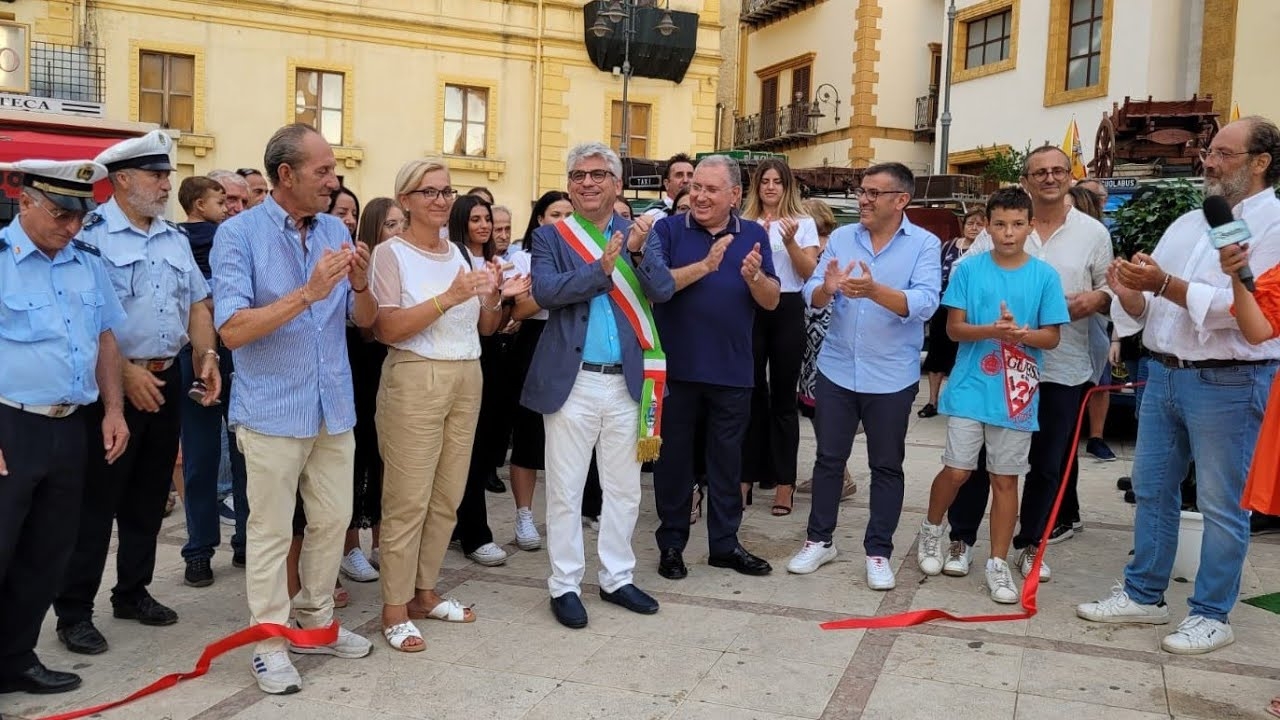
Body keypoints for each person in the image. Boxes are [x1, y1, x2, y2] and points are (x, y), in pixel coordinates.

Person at [1077, 116, 1280, 655]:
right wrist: (1129, 289)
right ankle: (1144, 595)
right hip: (1162, 371)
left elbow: (1245, 313)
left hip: (1229, 379)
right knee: (1152, 491)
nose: (1209, 162)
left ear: (1261, 163)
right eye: (1209, 151)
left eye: (1225, 154)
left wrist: (1163, 283)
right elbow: (1152, 306)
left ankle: (1213, 614)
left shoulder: (1274, 224)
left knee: (1222, 504)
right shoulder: (1192, 221)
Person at [211, 123, 378, 693]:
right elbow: (231, 329)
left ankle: (317, 618)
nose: (333, 183)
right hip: (271, 410)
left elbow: (366, 319)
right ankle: (268, 641)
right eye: (322, 172)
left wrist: (358, 285)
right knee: (271, 530)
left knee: (334, 520)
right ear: (286, 175)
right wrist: (306, 293)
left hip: (333, 405)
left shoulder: (334, 228)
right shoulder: (237, 236)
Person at [53, 130, 222, 655]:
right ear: (122, 180)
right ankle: (74, 612)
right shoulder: (92, 235)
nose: (166, 183)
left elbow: (198, 303)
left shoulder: (172, 239)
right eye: (157, 175)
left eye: (167, 174)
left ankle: (132, 592)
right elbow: (78, 317)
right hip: (110, 388)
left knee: (149, 497)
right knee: (96, 504)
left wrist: (207, 355)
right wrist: (124, 375)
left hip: (168, 377)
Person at [522, 142, 674, 628]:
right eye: (578, 175)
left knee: (625, 489)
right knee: (565, 489)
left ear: (616, 183)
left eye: (598, 175)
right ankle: (564, 585)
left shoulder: (639, 233)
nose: (587, 183)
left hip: (628, 382)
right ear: (569, 184)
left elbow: (664, 290)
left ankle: (617, 577)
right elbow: (546, 291)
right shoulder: (553, 237)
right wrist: (603, 268)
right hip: (575, 383)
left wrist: (638, 252)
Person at [946, 146, 1113, 582]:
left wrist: (1097, 299)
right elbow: (966, 280)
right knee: (982, 462)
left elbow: (1109, 290)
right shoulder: (998, 226)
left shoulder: (1093, 233)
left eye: (1058, 170)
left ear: (1070, 177)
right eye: (1040, 172)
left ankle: (1028, 543)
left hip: (1063, 364)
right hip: (997, 370)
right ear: (1026, 180)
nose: (1050, 178)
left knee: (1047, 464)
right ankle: (961, 537)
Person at [370, 159, 512, 651]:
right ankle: (393, 606)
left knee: (448, 494)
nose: (440, 199)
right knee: (407, 499)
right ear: (404, 200)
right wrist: (448, 298)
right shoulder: (391, 254)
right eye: (428, 191)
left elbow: (486, 328)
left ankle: (423, 593)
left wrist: (492, 297)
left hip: (466, 373)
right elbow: (385, 329)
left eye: (446, 191)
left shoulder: (459, 253)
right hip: (415, 376)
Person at [0, 159, 129, 696]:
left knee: (48, 553)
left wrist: (115, 410)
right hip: (10, 426)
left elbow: (105, 338)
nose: (72, 227)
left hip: (70, 424)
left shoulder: (86, 262)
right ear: (25, 201)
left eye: (81, 215)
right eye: (59, 214)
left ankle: (15, 659)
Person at [785, 162, 940, 587]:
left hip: (891, 375)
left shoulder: (924, 244)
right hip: (836, 368)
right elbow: (810, 294)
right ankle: (820, 541)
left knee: (886, 465)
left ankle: (878, 552)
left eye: (874, 193)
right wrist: (827, 289)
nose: (864, 199)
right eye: (863, 191)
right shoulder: (840, 237)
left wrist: (875, 291)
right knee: (828, 460)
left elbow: (926, 303)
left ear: (901, 200)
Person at [914, 188, 1069, 604]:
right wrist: (993, 332)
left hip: (1017, 391)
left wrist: (1021, 335)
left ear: (1030, 226)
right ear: (988, 226)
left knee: (1005, 478)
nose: (1008, 232)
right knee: (958, 470)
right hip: (969, 388)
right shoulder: (968, 269)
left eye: (1018, 224)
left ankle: (998, 562)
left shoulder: (1044, 277)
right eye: (999, 224)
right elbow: (953, 330)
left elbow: (1051, 337)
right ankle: (931, 529)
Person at [650, 154, 780, 580]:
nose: (700, 196)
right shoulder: (668, 229)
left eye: (710, 189)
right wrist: (705, 267)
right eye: (696, 188)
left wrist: (754, 278)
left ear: (735, 195)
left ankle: (724, 545)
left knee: (727, 464)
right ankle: (671, 544)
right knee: (673, 465)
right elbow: (660, 287)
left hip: (732, 371)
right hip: (677, 372)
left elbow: (772, 300)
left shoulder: (755, 234)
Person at [174, 176, 249, 587]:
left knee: (244, 454)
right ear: (200, 204)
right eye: (225, 200)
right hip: (195, 355)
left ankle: (245, 543)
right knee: (202, 458)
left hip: (241, 354)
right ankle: (200, 550)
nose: (232, 207)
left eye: (239, 200)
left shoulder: (240, 237)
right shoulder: (174, 240)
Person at [740, 158, 819, 516]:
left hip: (788, 307)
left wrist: (789, 243)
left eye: (777, 181)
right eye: (764, 181)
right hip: (752, 308)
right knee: (751, 393)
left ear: (788, 187)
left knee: (784, 399)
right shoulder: (743, 223)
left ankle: (784, 482)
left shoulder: (802, 224)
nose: (770, 187)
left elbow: (809, 274)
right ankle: (747, 476)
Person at [449, 194, 515, 565]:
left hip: (488, 357)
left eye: (487, 218)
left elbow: (492, 327)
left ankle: (462, 527)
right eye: (475, 219)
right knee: (468, 452)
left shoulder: (497, 262)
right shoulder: (454, 261)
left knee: (484, 448)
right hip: (461, 357)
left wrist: (506, 299)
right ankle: (474, 531)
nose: (484, 226)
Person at [342, 198, 403, 575]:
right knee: (358, 457)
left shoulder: (405, 262)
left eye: (402, 223)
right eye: (391, 225)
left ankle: (381, 541)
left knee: (386, 460)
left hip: (392, 367)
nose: (398, 232)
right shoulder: (364, 264)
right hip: (359, 366)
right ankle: (351, 547)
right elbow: (366, 328)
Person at [919, 208, 986, 418]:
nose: (974, 228)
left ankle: (958, 401)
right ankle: (932, 401)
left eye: (979, 224)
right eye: (970, 223)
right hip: (943, 306)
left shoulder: (985, 250)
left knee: (963, 356)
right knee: (937, 354)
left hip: (970, 310)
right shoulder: (948, 246)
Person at [643, 152, 695, 218]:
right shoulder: (654, 216)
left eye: (690, 175)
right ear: (667, 184)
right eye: (679, 175)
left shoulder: (702, 213)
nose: (685, 180)